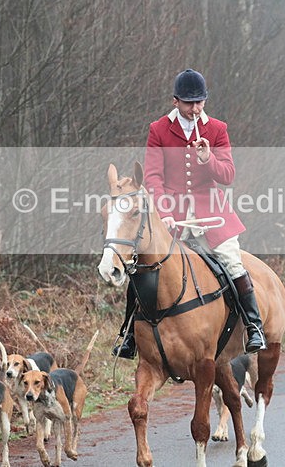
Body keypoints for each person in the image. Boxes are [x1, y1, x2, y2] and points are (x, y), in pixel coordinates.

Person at [112, 68, 266, 359]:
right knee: (143, 268)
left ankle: (253, 325)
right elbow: (154, 178)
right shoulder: (158, 129)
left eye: (200, 102)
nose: (195, 108)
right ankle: (130, 334)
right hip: (172, 216)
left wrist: (208, 159)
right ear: (175, 101)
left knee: (233, 262)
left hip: (211, 213)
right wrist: (165, 212)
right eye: (188, 102)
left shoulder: (217, 129)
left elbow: (228, 175)